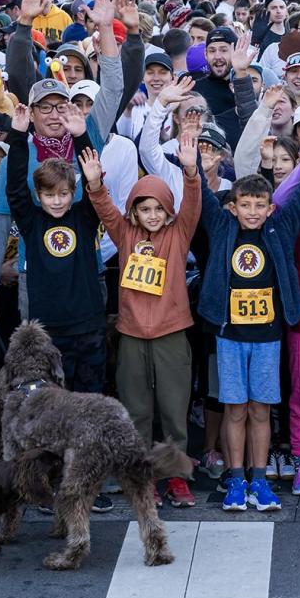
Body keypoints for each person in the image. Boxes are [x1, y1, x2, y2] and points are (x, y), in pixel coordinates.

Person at [196, 118, 300, 513]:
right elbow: (201, 197)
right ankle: (236, 479)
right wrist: (193, 163)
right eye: (246, 206)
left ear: (271, 207)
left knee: (261, 409)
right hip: (230, 337)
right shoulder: (223, 228)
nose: (253, 212)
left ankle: (260, 480)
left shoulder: (280, 226)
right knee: (235, 409)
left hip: (268, 337)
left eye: (260, 205)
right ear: (233, 207)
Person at [82, 129, 202, 507]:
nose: (152, 215)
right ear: (133, 211)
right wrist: (96, 183)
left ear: (169, 211)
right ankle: (141, 477)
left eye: (158, 209)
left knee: (173, 410)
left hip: (171, 332)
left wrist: (190, 172)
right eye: (144, 208)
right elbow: (103, 206)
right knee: (136, 411)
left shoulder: (179, 233)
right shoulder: (124, 233)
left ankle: (177, 476)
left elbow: (193, 204)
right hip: (131, 333)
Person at [5, 105, 104, 393]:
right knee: (51, 407)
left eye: (63, 194)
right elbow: (14, 189)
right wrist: (18, 136)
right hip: (46, 333)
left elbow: (92, 182)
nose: (57, 201)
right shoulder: (31, 222)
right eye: (49, 195)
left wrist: (81, 136)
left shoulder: (84, 218)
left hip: (88, 327)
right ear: (38, 195)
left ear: (73, 193)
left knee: (88, 403)